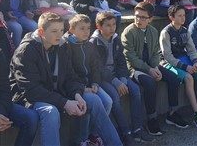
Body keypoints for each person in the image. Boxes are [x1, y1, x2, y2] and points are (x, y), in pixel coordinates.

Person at [10, 12, 122, 146]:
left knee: (93, 100)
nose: (59, 35)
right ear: (41, 31)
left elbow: (70, 76)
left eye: (62, 30)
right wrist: (64, 103)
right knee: (51, 112)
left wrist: (77, 93)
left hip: (56, 92)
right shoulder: (26, 50)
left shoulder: (61, 45)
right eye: (54, 31)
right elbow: (31, 90)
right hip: (28, 97)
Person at [121, 2, 187, 135]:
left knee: (174, 77)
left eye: (143, 17)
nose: (139, 20)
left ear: (150, 19)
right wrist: (149, 69)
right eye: (137, 16)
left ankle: (172, 113)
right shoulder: (128, 32)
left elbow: (155, 52)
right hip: (134, 69)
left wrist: (156, 67)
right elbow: (131, 58)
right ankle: (151, 119)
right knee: (150, 83)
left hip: (151, 65)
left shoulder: (153, 31)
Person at [91, 11, 153, 144]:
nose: (112, 28)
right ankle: (126, 132)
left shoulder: (115, 38)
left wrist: (123, 78)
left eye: (113, 24)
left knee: (135, 90)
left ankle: (137, 129)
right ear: (99, 26)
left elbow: (121, 61)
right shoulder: (94, 42)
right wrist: (116, 82)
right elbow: (98, 68)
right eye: (108, 25)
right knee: (114, 97)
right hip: (104, 79)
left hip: (118, 76)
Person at [64, 14, 122, 145]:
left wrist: (95, 83)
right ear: (71, 30)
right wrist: (84, 88)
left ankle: (93, 135)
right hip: (77, 87)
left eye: (88, 28)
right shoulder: (66, 46)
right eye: (82, 28)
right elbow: (69, 73)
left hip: (90, 84)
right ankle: (82, 139)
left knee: (107, 101)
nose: (86, 32)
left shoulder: (89, 45)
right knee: (92, 103)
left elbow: (96, 67)